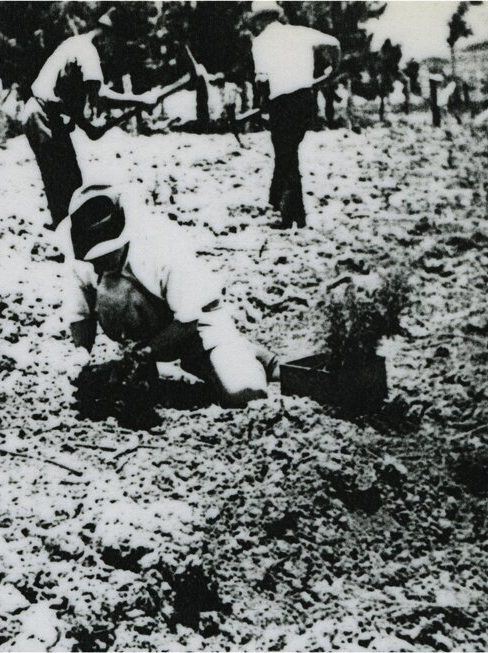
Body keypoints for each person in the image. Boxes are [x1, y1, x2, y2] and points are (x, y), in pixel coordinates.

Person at [63, 184, 279, 408]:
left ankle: (244, 356)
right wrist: (81, 354)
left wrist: (146, 352)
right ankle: (158, 367)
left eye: (105, 255)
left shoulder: (160, 247)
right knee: (113, 289)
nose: (98, 263)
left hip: (199, 325)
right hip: (146, 333)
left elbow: (188, 320)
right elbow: (81, 314)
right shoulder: (83, 255)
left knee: (243, 394)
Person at [24, 8, 161, 232]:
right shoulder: (87, 52)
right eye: (117, 43)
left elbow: (68, 95)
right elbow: (101, 98)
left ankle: (68, 230)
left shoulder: (76, 44)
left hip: (47, 115)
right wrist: (140, 100)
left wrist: (88, 127)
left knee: (69, 179)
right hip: (43, 116)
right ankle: (65, 235)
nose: (113, 50)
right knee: (61, 180)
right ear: (108, 34)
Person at [249, 1, 340, 229]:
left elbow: (261, 79)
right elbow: (335, 44)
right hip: (306, 100)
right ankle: (277, 201)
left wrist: (263, 102)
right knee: (288, 152)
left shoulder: (260, 43)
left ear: (260, 20)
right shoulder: (299, 32)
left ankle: (293, 217)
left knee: (287, 156)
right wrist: (330, 73)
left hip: (283, 103)